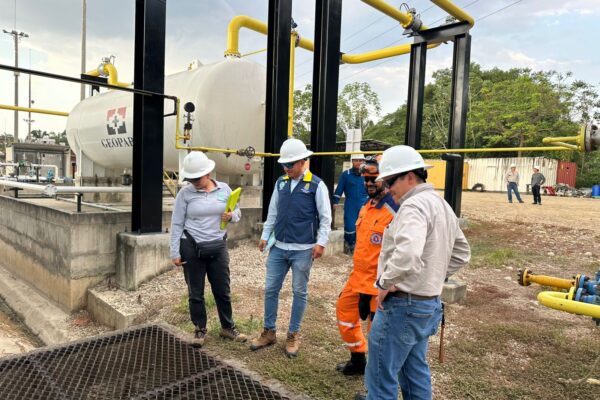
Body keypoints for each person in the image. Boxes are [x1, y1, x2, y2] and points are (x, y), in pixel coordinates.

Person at [360, 145, 471, 400]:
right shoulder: (440, 204)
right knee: (414, 373)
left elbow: (408, 254)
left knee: (380, 378)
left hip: (402, 307)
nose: (387, 188)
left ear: (410, 176)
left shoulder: (413, 206)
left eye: (390, 181)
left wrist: (385, 283)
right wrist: (430, 276)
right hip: (426, 305)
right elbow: (461, 253)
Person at [250, 138, 332, 357]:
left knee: (299, 291)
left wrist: (321, 242)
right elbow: (273, 212)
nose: (286, 168)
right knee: (270, 289)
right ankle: (269, 332)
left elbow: (325, 217)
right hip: (278, 247)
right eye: (284, 165)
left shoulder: (316, 185)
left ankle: (293, 334)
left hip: (303, 249)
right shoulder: (281, 183)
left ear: (303, 162)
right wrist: (265, 236)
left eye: (290, 164)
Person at [170, 151, 247, 347]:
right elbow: (176, 223)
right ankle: (199, 329)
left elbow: (237, 211)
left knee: (222, 289)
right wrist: (174, 252)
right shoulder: (185, 194)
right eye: (191, 179)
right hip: (191, 246)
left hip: (218, 245)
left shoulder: (224, 189)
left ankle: (227, 327)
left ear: (208, 173)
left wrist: (231, 216)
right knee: (195, 292)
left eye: (197, 178)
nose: (194, 182)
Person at [335, 157, 398, 376]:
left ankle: (376, 379)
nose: (369, 183)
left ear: (386, 179)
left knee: (377, 334)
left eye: (374, 179)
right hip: (357, 279)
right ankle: (358, 359)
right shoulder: (367, 206)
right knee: (344, 312)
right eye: (366, 179)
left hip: (379, 285)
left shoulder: (395, 210)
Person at [333, 154, 368, 254]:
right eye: (356, 160)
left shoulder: (367, 174)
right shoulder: (346, 174)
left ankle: (359, 247)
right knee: (350, 226)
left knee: (363, 226)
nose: (358, 162)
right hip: (350, 204)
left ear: (364, 161)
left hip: (365, 205)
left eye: (360, 160)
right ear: (352, 161)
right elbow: (339, 188)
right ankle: (349, 245)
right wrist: (335, 201)